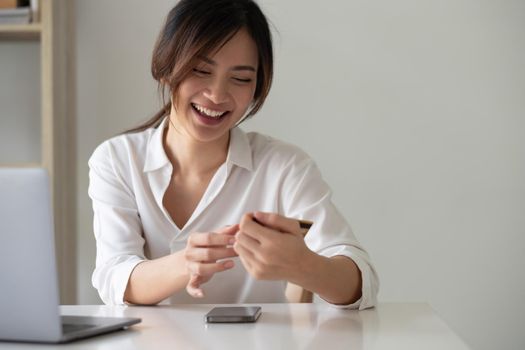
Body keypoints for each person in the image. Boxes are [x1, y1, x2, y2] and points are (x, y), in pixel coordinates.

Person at [88, 0, 379, 309]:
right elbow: (113, 276)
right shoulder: (117, 159)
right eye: (200, 70)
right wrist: (187, 263)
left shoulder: (285, 167)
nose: (216, 95)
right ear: (165, 67)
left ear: (257, 87)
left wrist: (303, 265)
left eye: (240, 78)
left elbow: (362, 281)